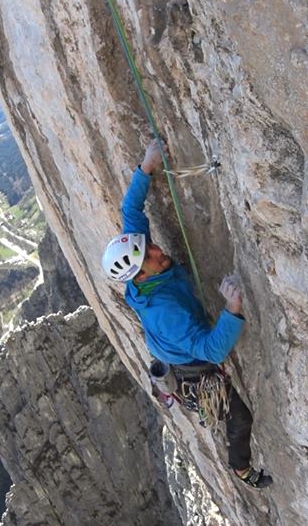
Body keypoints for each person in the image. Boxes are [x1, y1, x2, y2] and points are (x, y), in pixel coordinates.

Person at [101, 138, 272, 489]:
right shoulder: (165, 311)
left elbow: (131, 212)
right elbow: (211, 350)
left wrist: (145, 167)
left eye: (149, 246)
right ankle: (240, 468)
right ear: (141, 274)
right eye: (151, 255)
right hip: (193, 368)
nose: (158, 248)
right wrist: (232, 309)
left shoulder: (138, 262)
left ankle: (164, 387)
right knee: (240, 419)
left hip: (171, 345)